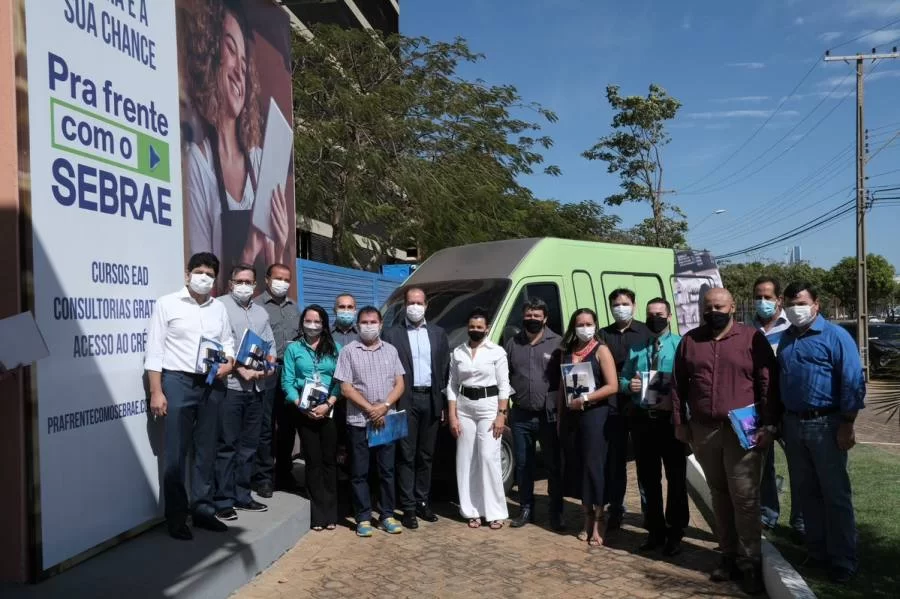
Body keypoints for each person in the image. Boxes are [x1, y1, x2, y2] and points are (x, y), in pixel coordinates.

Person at [671, 288, 778, 595]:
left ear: (732, 306)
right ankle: (727, 555)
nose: (713, 311)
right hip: (704, 431)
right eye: (708, 307)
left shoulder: (750, 340)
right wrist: (679, 422)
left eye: (719, 306)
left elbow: (768, 383)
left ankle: (750, 564)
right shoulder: (691, 341)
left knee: (744, 498)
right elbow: (678, 385)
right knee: (719, 494)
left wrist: (769, 424)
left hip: (743, 432)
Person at [184, 0, 290, 293]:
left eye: (244, 64)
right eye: (230, 51)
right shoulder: (199, 164)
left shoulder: (259, 163)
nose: (238, 72)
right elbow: (202, 286)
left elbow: (272, 285)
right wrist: (246, 252)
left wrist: (277, 250)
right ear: (210, 57)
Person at [777, 281, 865, 584]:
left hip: (826, 425)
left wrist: (848, 423)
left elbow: (852, 379)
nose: (795, 308)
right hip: (793, 424)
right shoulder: (786, 339)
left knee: (835, 494)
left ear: (817, 304)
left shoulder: (836, 336)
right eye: (790, 302)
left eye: (800, 302)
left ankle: (843, 559)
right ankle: (817, 551)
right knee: (807, 492)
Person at [144, 252, 235, 540]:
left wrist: (229, 363)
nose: (203, 278)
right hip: (178, 381)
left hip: (211, 384)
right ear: (187, 274)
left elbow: (228, 343)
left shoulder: (218, 308)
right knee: (176, 452)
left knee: (206, 450)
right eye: (199, 272)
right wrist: (156, 391)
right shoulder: (167, 304)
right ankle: (177, 516)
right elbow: (155, 351)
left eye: (209, 274)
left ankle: (203, 510)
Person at [620, 298, 688, 556]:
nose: (654, 318)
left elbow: (689, 380)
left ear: (669, 317)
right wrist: (629, 386)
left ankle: (676, 531)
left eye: (659, 314)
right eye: (650, 314)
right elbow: (623, 377)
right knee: (648, 480)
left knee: (676, 478)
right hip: (643, 420)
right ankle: (654, 530)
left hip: (669, 422)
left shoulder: (680, 345)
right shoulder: (637, 347)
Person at [334, 306, 406, 537]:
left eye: (373, 322)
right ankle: (363, 517)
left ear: (381, 324)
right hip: (358, 420)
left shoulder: (391, 351)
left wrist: (383, 407)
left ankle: (387, 514)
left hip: (386, 420)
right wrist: (369, 409)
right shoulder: (348, 351)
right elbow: (345, 388)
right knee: (359, 472)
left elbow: (400, 384)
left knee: (387, 470)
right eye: (364, 322)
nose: (368, 326)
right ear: (358, 324)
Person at [382, 288, 450, 529]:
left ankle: (422, 502)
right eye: (411, 302)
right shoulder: (391, 334)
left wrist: (441, 403)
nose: (415, 307)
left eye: (419, 302)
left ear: (426, 305)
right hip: (405, 401)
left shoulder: (439, 334)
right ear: (404, 304)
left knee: (426, 455)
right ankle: (408, 507)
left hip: (430, 400)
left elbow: (444, 370)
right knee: (406, 455)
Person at [215, 264, 276, 521]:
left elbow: (271, 347)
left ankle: (242, 495)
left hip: (256, 388)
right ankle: (223, 499)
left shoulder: (261, 313)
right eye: (239, 280)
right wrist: (240, 369)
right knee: (227, 445)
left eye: (248, 281)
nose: (243, 285)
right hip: (230, 388)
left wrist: (263, 372)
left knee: (249, 445)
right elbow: (219, 344)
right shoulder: (219, 307)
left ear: (255, 285)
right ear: (230, 283)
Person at [558, 308, 619, 546]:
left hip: (596, 415)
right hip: (572, 417)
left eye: (589, 323)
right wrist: (561, 417)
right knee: (579, 466)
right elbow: (561, 387)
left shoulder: (601, 350)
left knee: (595, 467)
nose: (584, 327)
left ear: (595, 325)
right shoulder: (567, 352)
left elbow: (613, 385)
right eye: (580, 323)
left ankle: (599, 520)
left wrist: (586, 399)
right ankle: (586, 517)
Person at [447, 308, 511, 530]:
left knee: (488, 457)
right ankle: (471, 510)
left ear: (487, 327)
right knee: (466, 459)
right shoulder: (458, 352)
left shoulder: (497, 352)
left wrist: (501, 415)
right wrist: (453, 415)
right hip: (464, 407)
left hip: (489, 407)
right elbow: (452, 385)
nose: (475, 330)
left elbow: (504, 386)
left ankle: (495, 512)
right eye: (472, 327)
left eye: (479, 327)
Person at [505, 297, 565, 531]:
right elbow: (505, 377)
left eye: (537, 316)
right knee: (523, 465)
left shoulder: (558, 344)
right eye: (528, 316)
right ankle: (526, 509)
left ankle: (556, 512)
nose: (532, 320)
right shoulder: (512, 343)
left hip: (548, 417)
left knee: (553, 465)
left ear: (545, 318)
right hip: (520, 415)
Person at [282, 305, 342, 531]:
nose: (313, 325)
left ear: (324, 324)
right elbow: (287, 381)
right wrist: (300, 405)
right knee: (313, 462)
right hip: (304, 411)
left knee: (329, 461)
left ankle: (331, 512)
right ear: (302, 322)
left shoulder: (335, 348)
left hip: (328, 411)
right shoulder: (293, 349)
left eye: (317, 321)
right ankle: (317, 514)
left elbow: (340, 381)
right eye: (309, 320)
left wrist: (329, 404)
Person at [752, 276, 804, 537]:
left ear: (779, 300)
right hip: (760, 410)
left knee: (800, 466)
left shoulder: (792, 328)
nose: (763, 302)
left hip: (790, 408)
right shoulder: (746, 331)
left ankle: (802, 523)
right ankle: (767, 515)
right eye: (758, 297)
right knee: (763, 466)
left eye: (768, 297)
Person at [599, 288, 651, 530]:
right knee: (615, 462)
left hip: (641, 407)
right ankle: (616, 509)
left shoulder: (646, 332)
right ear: (610, 307)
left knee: (646, 461)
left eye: (626, 303)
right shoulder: (603, 335)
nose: (621, 307)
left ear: (634, 305)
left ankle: (650, 512)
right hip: (613, 408)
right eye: (616, 304)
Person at [256, 263, 302, 495]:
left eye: (286, 279)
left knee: (287, 425)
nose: (282, 282)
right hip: (265, 371)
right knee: (266, 425)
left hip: (290, 372)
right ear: (267, 279)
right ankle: (265, 475)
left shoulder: (295, 308)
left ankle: (284, 472)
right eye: (278, 278)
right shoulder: (256, 307)